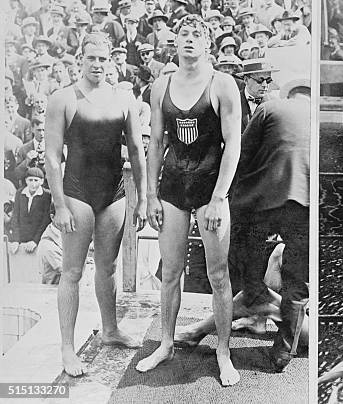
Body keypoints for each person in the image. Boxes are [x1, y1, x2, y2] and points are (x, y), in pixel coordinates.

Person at [136, 15, 241, 388]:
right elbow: (155, 145)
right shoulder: (161, 85)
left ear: (208, 43)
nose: (190, 40)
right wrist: (150, 195)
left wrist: (218, 198)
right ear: (175, 43)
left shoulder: (223, 84)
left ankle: (224, 353)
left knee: (218, 275)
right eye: (184, 34)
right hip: (174, 189)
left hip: (211, 189)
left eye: (198, 34)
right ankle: (166, 342)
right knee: (170, 273)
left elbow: (233, 146)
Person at [174, 87, 311, 373]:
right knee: (297, 285)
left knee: (241, 254)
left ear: (291, 94)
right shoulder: (317, 118)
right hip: (306, 203)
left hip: (263, 199)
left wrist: (224, 195)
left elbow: (241, 154)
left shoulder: (272, 107)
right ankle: (282, 354)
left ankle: (254, 294)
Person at [45, 32, 148, 377]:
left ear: (111, 61)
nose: (98, 64)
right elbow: (51, 156)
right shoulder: (63, 98)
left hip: (114, 193)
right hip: (77, 194)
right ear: (81, 59)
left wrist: (143, 199)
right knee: (72, 271)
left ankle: (110, 329)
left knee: (108, 268)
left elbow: (136, 151)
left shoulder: (124, 98)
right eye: (91, 58)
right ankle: (66, 348)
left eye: (103, 58)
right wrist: (59, 204)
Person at [8, 167, 52, 255]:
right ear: (26, 180)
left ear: (42, 181)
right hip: (22, 240)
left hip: (38, 240)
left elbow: (46, 221)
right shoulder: (20, 193)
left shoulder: (47, 195)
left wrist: (35, 241)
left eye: (36, 180)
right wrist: (16, 240)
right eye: (30, 180)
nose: (33, 183)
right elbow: (15, 216)